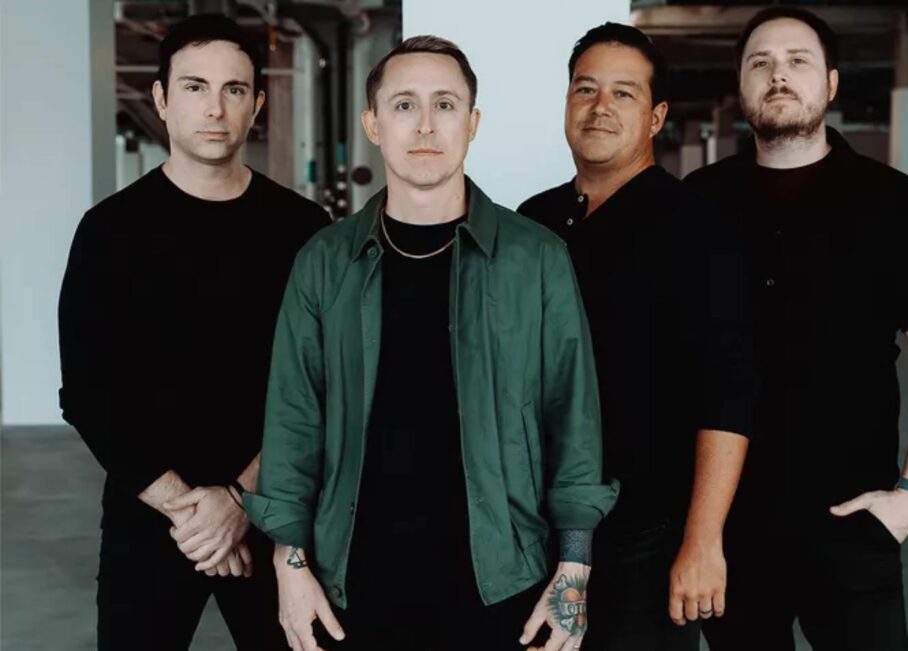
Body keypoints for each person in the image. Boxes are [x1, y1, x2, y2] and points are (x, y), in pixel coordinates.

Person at [243, 35, 618, 651]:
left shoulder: (536, 258)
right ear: (372, 124)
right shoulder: (324, 262)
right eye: (403, 105)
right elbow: (293, 420)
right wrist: (291, 564)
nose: (424, 124)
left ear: (472, 123)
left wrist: (573, 570)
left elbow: (573, 415)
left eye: (445, 104)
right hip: (351, 586)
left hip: (501, 584)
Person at [687, 8, 908, 650]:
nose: (778, 75)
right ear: (741, 85)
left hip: (852, 520)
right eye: (760, 63)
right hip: (729, 526)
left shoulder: (893, 203)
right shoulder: (698, 202)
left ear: (832, 83)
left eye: (797, 61)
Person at [57, 14, 329, 651]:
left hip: (276, 515)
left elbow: (322, 384)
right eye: (194, 86)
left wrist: (239, 500)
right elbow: (89, 394)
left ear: (256, 104)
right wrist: (195, 513)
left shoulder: (303, 230)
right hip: (151, 514)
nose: (214, 107)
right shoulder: (109, 231)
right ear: (161, 98)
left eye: (234, 89)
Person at [518, 23, 756, 651]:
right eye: (585, 89)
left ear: (656, 117)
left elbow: (728, 392)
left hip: (646, 536)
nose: (600, 107)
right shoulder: (534, 222)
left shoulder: (695, 227)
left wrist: (702, 541)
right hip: (535, 527)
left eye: (623, 93)